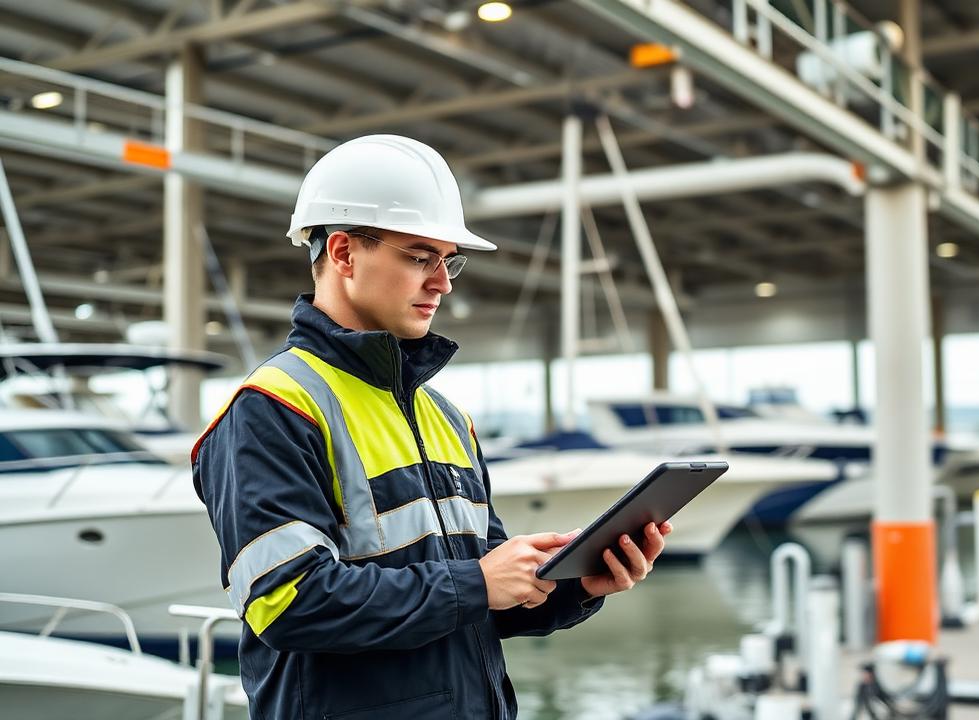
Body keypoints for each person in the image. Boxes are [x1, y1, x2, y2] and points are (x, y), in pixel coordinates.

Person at [193, 134, 672, 719]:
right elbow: (287, 604)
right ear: (343, 253)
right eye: (420, 257)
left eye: (449, 261)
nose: (443, 283)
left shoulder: (447, 417)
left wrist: (576, 585)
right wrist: (476, 582)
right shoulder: (271, 409)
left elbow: (485, 598)